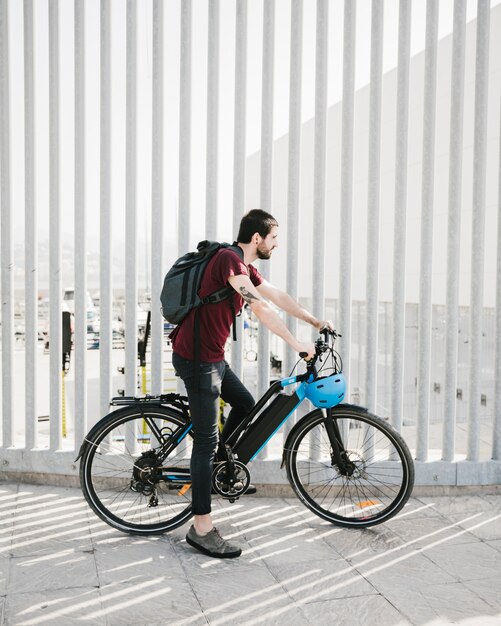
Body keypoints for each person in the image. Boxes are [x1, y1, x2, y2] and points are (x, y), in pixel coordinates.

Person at [171, 209, 333, 558]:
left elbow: (277, 296)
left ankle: (217, 468)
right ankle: (201, 528)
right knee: (205, 440)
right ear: (257, 238)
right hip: (197, 360)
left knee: (245, 405)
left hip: (211, 358)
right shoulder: (229, 260)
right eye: (273, 238)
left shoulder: (244, 266)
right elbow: (259, 307)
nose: (276, 244)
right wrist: (296, 344)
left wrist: (315, 321)